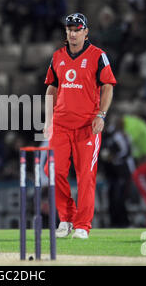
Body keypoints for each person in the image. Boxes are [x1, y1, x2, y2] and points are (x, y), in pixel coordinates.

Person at [43, 13, 117, 239]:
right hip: (61, 124)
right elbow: (51, 89)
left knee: (86, 176)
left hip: (87, 126)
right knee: (52, 171)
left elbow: (107, 86)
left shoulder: (98, 56)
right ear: (66, 33)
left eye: (77, 29)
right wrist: (48, 120)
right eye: (69, 30)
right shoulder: (57, 57)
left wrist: (101, 115)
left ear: (86, 32)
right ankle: (66, 219)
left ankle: (83, 225)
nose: (73, 34)